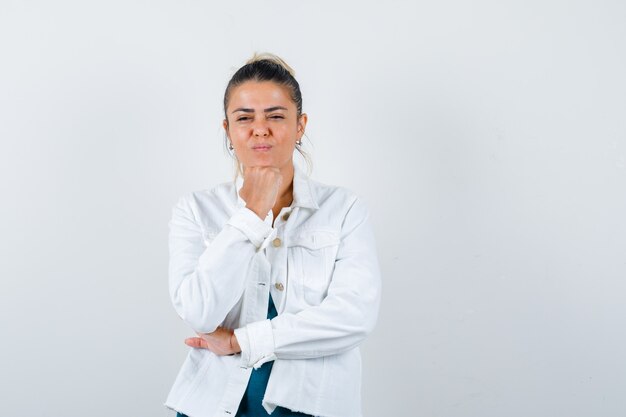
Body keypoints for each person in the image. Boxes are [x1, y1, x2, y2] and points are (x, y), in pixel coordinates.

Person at [165, 53, 381, 417]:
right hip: (215, 402)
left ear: (300, 126)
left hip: (312, 403)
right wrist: (251, 215)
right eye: (244, 118)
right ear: (228, 131)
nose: (260, 129)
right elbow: (199, 312)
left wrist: (239, 340)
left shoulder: (344, 209)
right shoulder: (195, 210)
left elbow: (354, 315)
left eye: (276, 116)